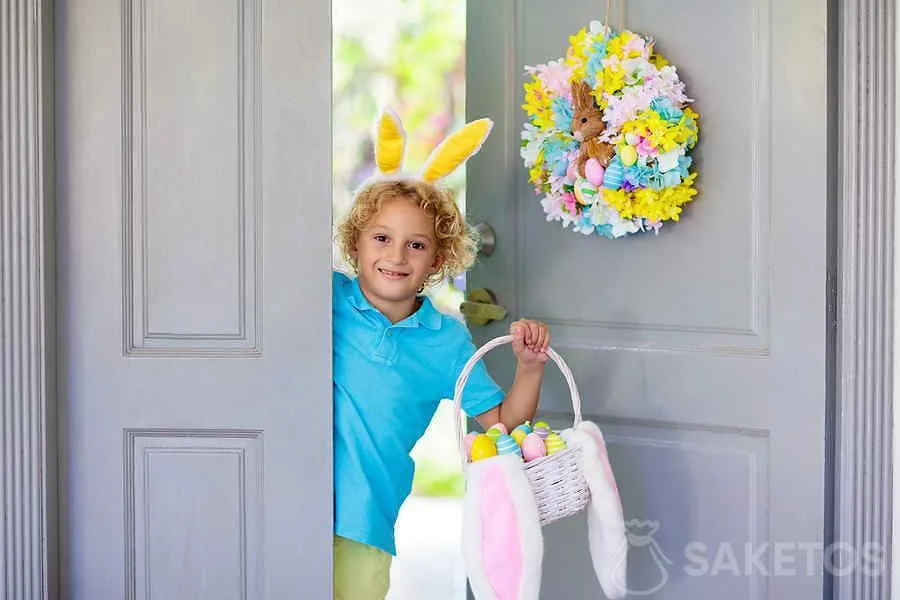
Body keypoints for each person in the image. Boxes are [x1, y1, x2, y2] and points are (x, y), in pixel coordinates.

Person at [332, 111, 552, 600]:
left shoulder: (445, 341)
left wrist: (529, 367)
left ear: (437, 259)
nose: (397, 256)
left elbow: (502, 424)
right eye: (382, 238)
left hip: (366, 515)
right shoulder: (327, 298)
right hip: (287, 496)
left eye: (416, 245)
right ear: (355, 242)